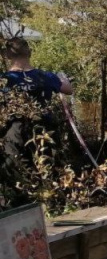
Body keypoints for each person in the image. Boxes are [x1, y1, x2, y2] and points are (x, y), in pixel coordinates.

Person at [2, 36, 73, 168]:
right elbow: (68, 89)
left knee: (18, 171)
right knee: (47, 168)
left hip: (15, 133)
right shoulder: (46, 76)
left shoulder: (5, 80)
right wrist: (62, 77)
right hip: (45, 131)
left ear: (8, 55)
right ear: (29, 53)